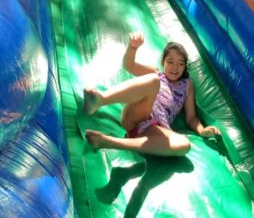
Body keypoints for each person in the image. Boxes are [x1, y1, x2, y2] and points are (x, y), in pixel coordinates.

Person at [83, 32, 220, 157]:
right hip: (137, 115)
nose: (175, 67)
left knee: (184, 144)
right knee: (154, 80)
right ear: (163, 62)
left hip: (154, 128)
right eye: (170, 62)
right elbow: (129, 65)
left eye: (180, 64)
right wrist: (133, 47)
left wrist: (202, 130)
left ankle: (110, 142)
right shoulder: (157, 74)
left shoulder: (187, 85)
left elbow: (191, 118)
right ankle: (100, 100)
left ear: (185, 67)